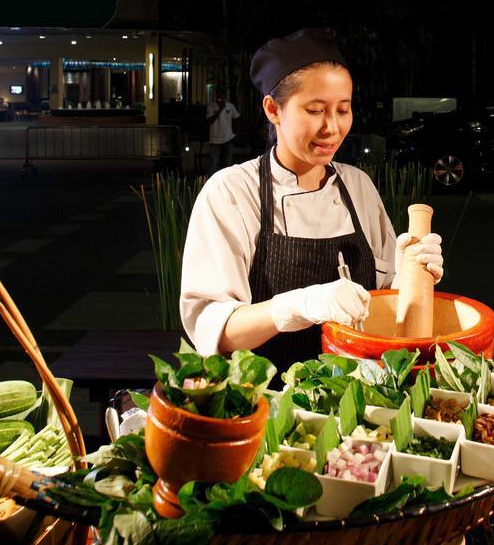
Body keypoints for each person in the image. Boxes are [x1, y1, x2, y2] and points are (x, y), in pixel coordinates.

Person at [180, 28, 444, 372]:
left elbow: (385, 313)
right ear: (274, 109)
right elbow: (215, 330)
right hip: (269, 405)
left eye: (343, 109)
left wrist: (407, 279)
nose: (332, 127)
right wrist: (296, 306)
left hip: (360, 403)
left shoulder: (357, 186)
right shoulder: (231, 193)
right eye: (316, 110)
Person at [206, 87, 240, 172]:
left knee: (228, 164)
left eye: (223, 94)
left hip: (228, 138)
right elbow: (209, 121)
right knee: (214, 164)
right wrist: (220, 109)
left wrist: (236, 133)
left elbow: (236, 118)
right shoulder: (211, 106)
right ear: (216, 94)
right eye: (219, 94)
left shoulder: (230, 106)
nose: (221, 96)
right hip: (215, 140)